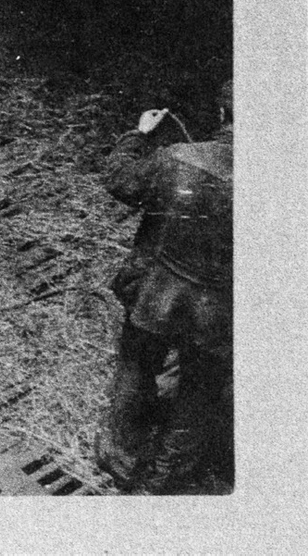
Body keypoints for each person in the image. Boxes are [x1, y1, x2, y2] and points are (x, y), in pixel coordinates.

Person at [96, 81, 233, 494]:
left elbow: (121, 181)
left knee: (136, 367)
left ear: (223, 116)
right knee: (201, 388)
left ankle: (121, 460)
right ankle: (166, 477)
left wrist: (137, 136)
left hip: (157, 293)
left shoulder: (177, 159)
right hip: (220, 308)